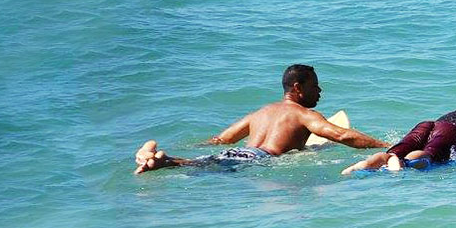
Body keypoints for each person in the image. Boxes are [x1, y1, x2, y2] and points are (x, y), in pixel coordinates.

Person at [133, 64, 390, 174]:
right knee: (206, 170)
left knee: (201, 164)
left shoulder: (261, 112)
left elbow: (222, 139)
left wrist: (198, 146)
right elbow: (342, 135)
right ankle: (162, 161)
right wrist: (384, 146)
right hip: (260, 159)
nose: (320, 91)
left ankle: (159, 159)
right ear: (298, 88)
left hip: (240, 152)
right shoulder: (304, 115)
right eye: (315, 86)